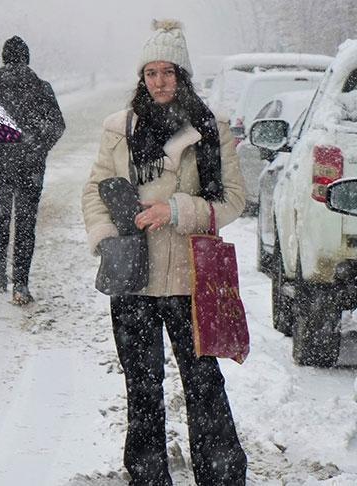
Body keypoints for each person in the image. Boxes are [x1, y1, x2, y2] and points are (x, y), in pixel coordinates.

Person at [81, 20, 247, 485]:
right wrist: (105, 238)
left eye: (167, 72)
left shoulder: (210, 130)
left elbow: (232, 199)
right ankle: (148, 477)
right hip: (131, 276)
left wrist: (174, 209)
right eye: (150, 73)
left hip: (189, 277)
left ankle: (221, 475)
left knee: (203, 384)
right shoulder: (119, 128)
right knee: (142, 387)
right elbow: (93, 191)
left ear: (182, 75)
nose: (158, 82)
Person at [0, 35, 65, 305]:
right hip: (30, 167)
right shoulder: (41, 87)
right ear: (26, 58)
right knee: (26, 223)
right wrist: (38, 147)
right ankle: (21, 283)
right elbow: (57, 125)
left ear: (4, 58)